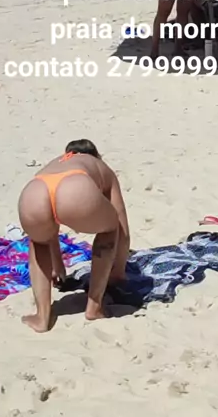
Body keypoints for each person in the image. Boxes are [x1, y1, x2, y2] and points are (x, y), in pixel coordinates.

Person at [18, 139, 130, 331]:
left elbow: (51, 230)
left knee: (38, 242)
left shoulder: (57, 162)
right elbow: (123, 228)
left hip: (34, 190)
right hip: (75, 187)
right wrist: (118, 270)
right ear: (96, 155)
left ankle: (42, 317)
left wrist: (58, 266)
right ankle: (94, 307)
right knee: (112, 227)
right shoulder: (100, 166)